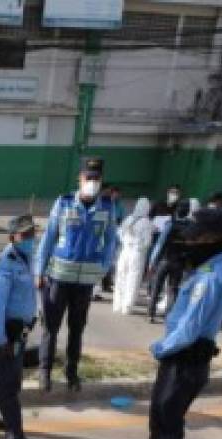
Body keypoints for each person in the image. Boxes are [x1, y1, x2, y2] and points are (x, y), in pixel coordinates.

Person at [120, 209, 222, 439]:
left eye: (197, 236)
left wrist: (160, 348)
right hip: (193, 359)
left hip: (183, 359)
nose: (192, 242)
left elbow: (189, 328)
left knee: (163, 423)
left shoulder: (209, 278)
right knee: (173, 422)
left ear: (213, 238)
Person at [34, 157, 118, 393]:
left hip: (85, 282)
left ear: (101, 181)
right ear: (79, 179)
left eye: (96, 178)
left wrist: (102, 269)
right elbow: (49, 238)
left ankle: (71, 373)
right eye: (88, 178)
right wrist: (39, 271)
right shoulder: (64, 203)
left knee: (77, 329)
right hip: (59, 277)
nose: (92, 182)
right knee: (51, 327)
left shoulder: (108, 208)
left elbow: (111, 241)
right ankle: (45, 371)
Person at [0, 215, 40, 439]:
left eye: (32, 234)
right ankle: (15, 436)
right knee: (9, 384)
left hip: (19, 330)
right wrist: (1, 338)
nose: (30, 239)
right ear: (12, 237)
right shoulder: (7, 263)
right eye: (24, 235)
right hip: (8, 333)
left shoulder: (25, 258)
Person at [146, 198, 193, 323]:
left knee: (157, 286)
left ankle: (151, 314)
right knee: (173, 289)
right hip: (180, 262)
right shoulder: (191, 226)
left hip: (166, 260)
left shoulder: (170, 224)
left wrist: (152, 262)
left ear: (177, 210)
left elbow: (160, 244)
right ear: (188, 211)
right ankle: (170, 315)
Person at [113, 198, 153, 315]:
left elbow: (119, 232)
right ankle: (127, 306)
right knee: (133, 279)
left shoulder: (129, 218)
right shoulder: (146, 222)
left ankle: (117, 304)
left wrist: (125, 242)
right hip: (137, 253)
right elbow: (147, 242)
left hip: (125, 251)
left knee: (120, 277)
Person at [99, 185, 126, 296]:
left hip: (114, 235)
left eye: (117, 193)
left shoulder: (119, 206)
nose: (115, 195)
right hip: (102, 236)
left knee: (109, 261)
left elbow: (122, 219)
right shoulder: (102, 203)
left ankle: (106, 283)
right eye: (113, 192)